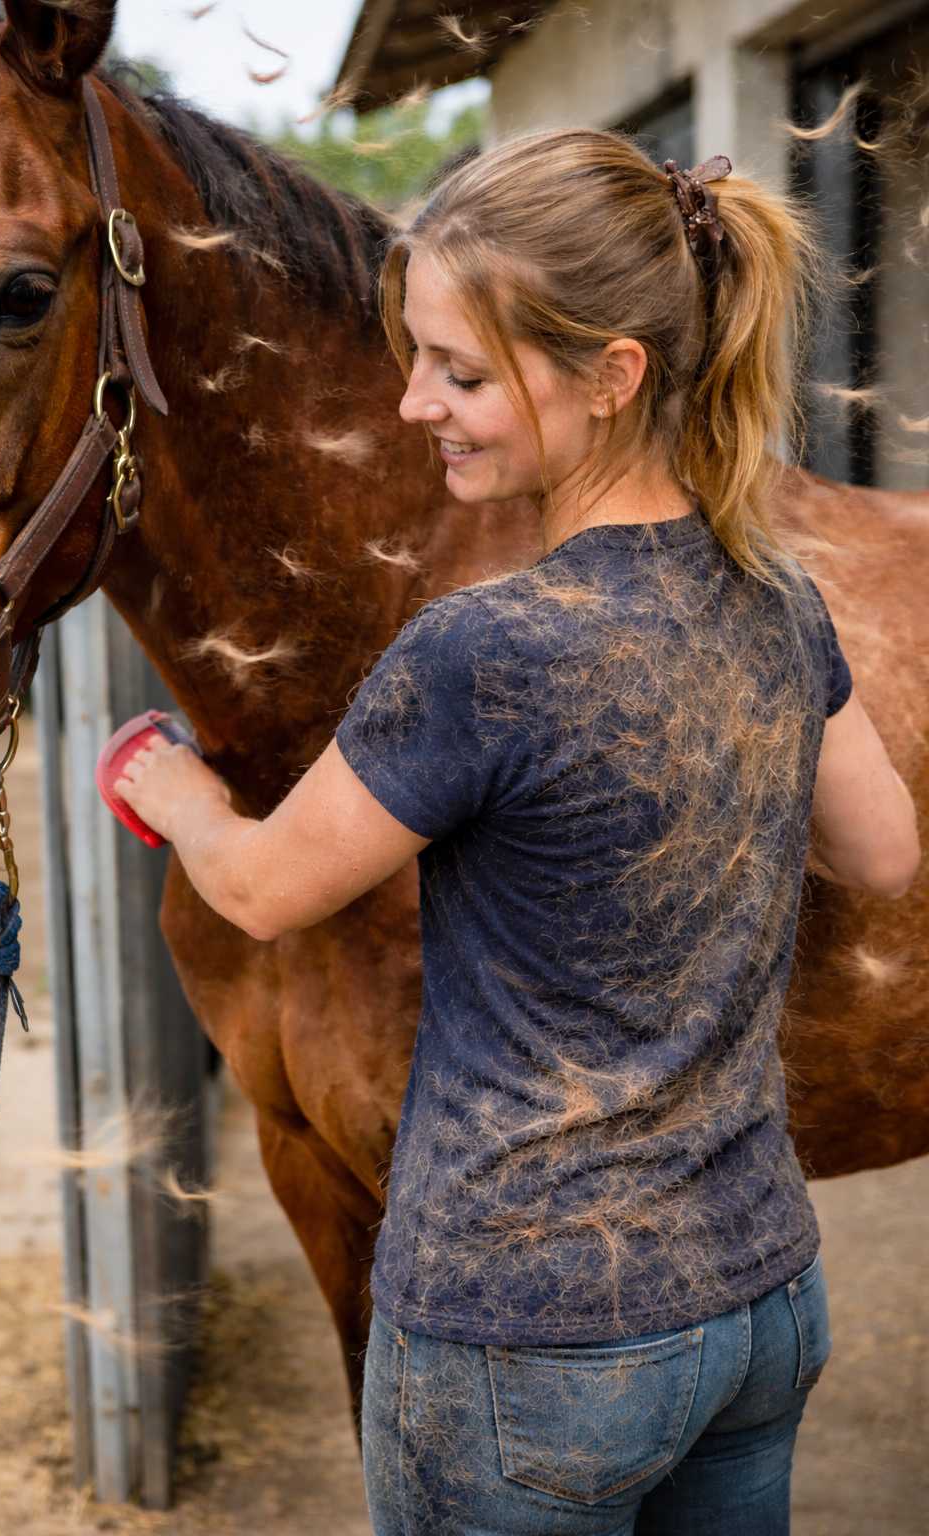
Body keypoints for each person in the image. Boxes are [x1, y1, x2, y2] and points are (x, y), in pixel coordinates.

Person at [116, 130, 920, 1535]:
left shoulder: (481, 654)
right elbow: (887, 860)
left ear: (613, 376)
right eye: (415, 356)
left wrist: (171, 788)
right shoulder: (780, 601)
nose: (414, 402)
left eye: (462, 373)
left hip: (529, 1342)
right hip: (758, 1310)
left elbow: (254, 893)